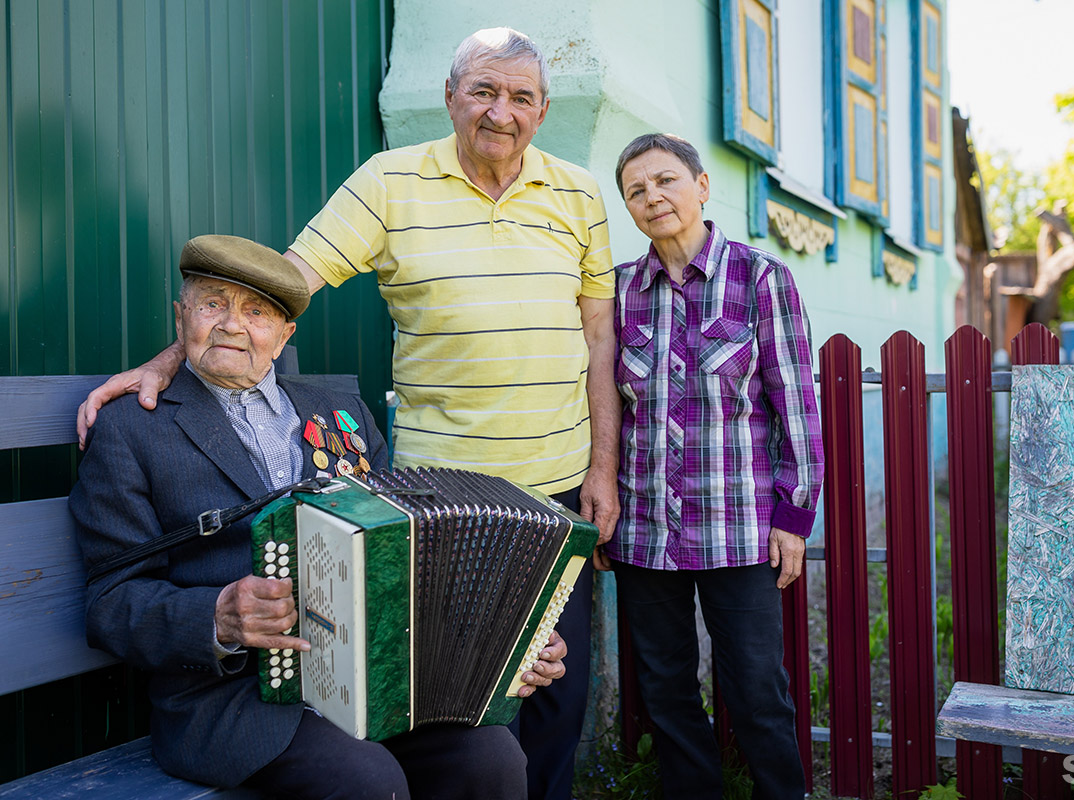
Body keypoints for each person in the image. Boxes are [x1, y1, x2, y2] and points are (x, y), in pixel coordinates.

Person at [75, 27, 617, 800]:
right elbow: (284, 275)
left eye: (520, 96)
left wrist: (600, 472)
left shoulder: (576, 194)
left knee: (522, 742)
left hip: (550, 486)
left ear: (542, 108)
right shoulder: (390, 183)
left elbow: (599, 335)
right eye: (483, 91)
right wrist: (173, 358)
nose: (501, 111)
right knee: (385, 776)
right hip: (423, 500)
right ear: (450, 98)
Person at [71, 235, 567, 799]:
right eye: (213, 303)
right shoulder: (131, 430)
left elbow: (406, 553)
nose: (233, 325)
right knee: (365, 780)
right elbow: (109, 601)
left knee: (491, 759)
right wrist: (217, 617)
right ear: (182, 317)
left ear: (284, 338)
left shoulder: (342, 412)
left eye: (257, 312)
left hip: (367, 678)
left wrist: (505, 637)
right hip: (233, 699)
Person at [601, 134, 825, 800]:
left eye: (666, 180)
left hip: (740, 528)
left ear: (701, 186)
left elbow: (798, 408)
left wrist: (794, 516)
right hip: (644, 531)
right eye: (637, 190)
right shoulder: (617, 293)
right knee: (666, 689)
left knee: (756, 689)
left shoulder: (761, 280)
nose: (653, 198)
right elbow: (605, 409)